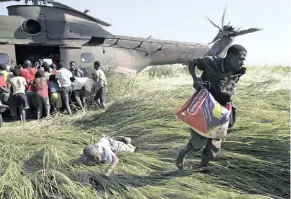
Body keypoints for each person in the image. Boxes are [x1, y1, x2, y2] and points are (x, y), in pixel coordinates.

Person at [176, 44, 247, 170]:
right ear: (230, 56)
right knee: (198, 143)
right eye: (240, 59)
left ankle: (201, 169)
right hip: (204, 107)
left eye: (243, 60)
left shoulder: (238, 72)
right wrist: (195, 78)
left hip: (221, 110)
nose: (242, 63)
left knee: (213, 148)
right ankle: (183, 153)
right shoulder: (211, 62)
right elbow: (192, 63)